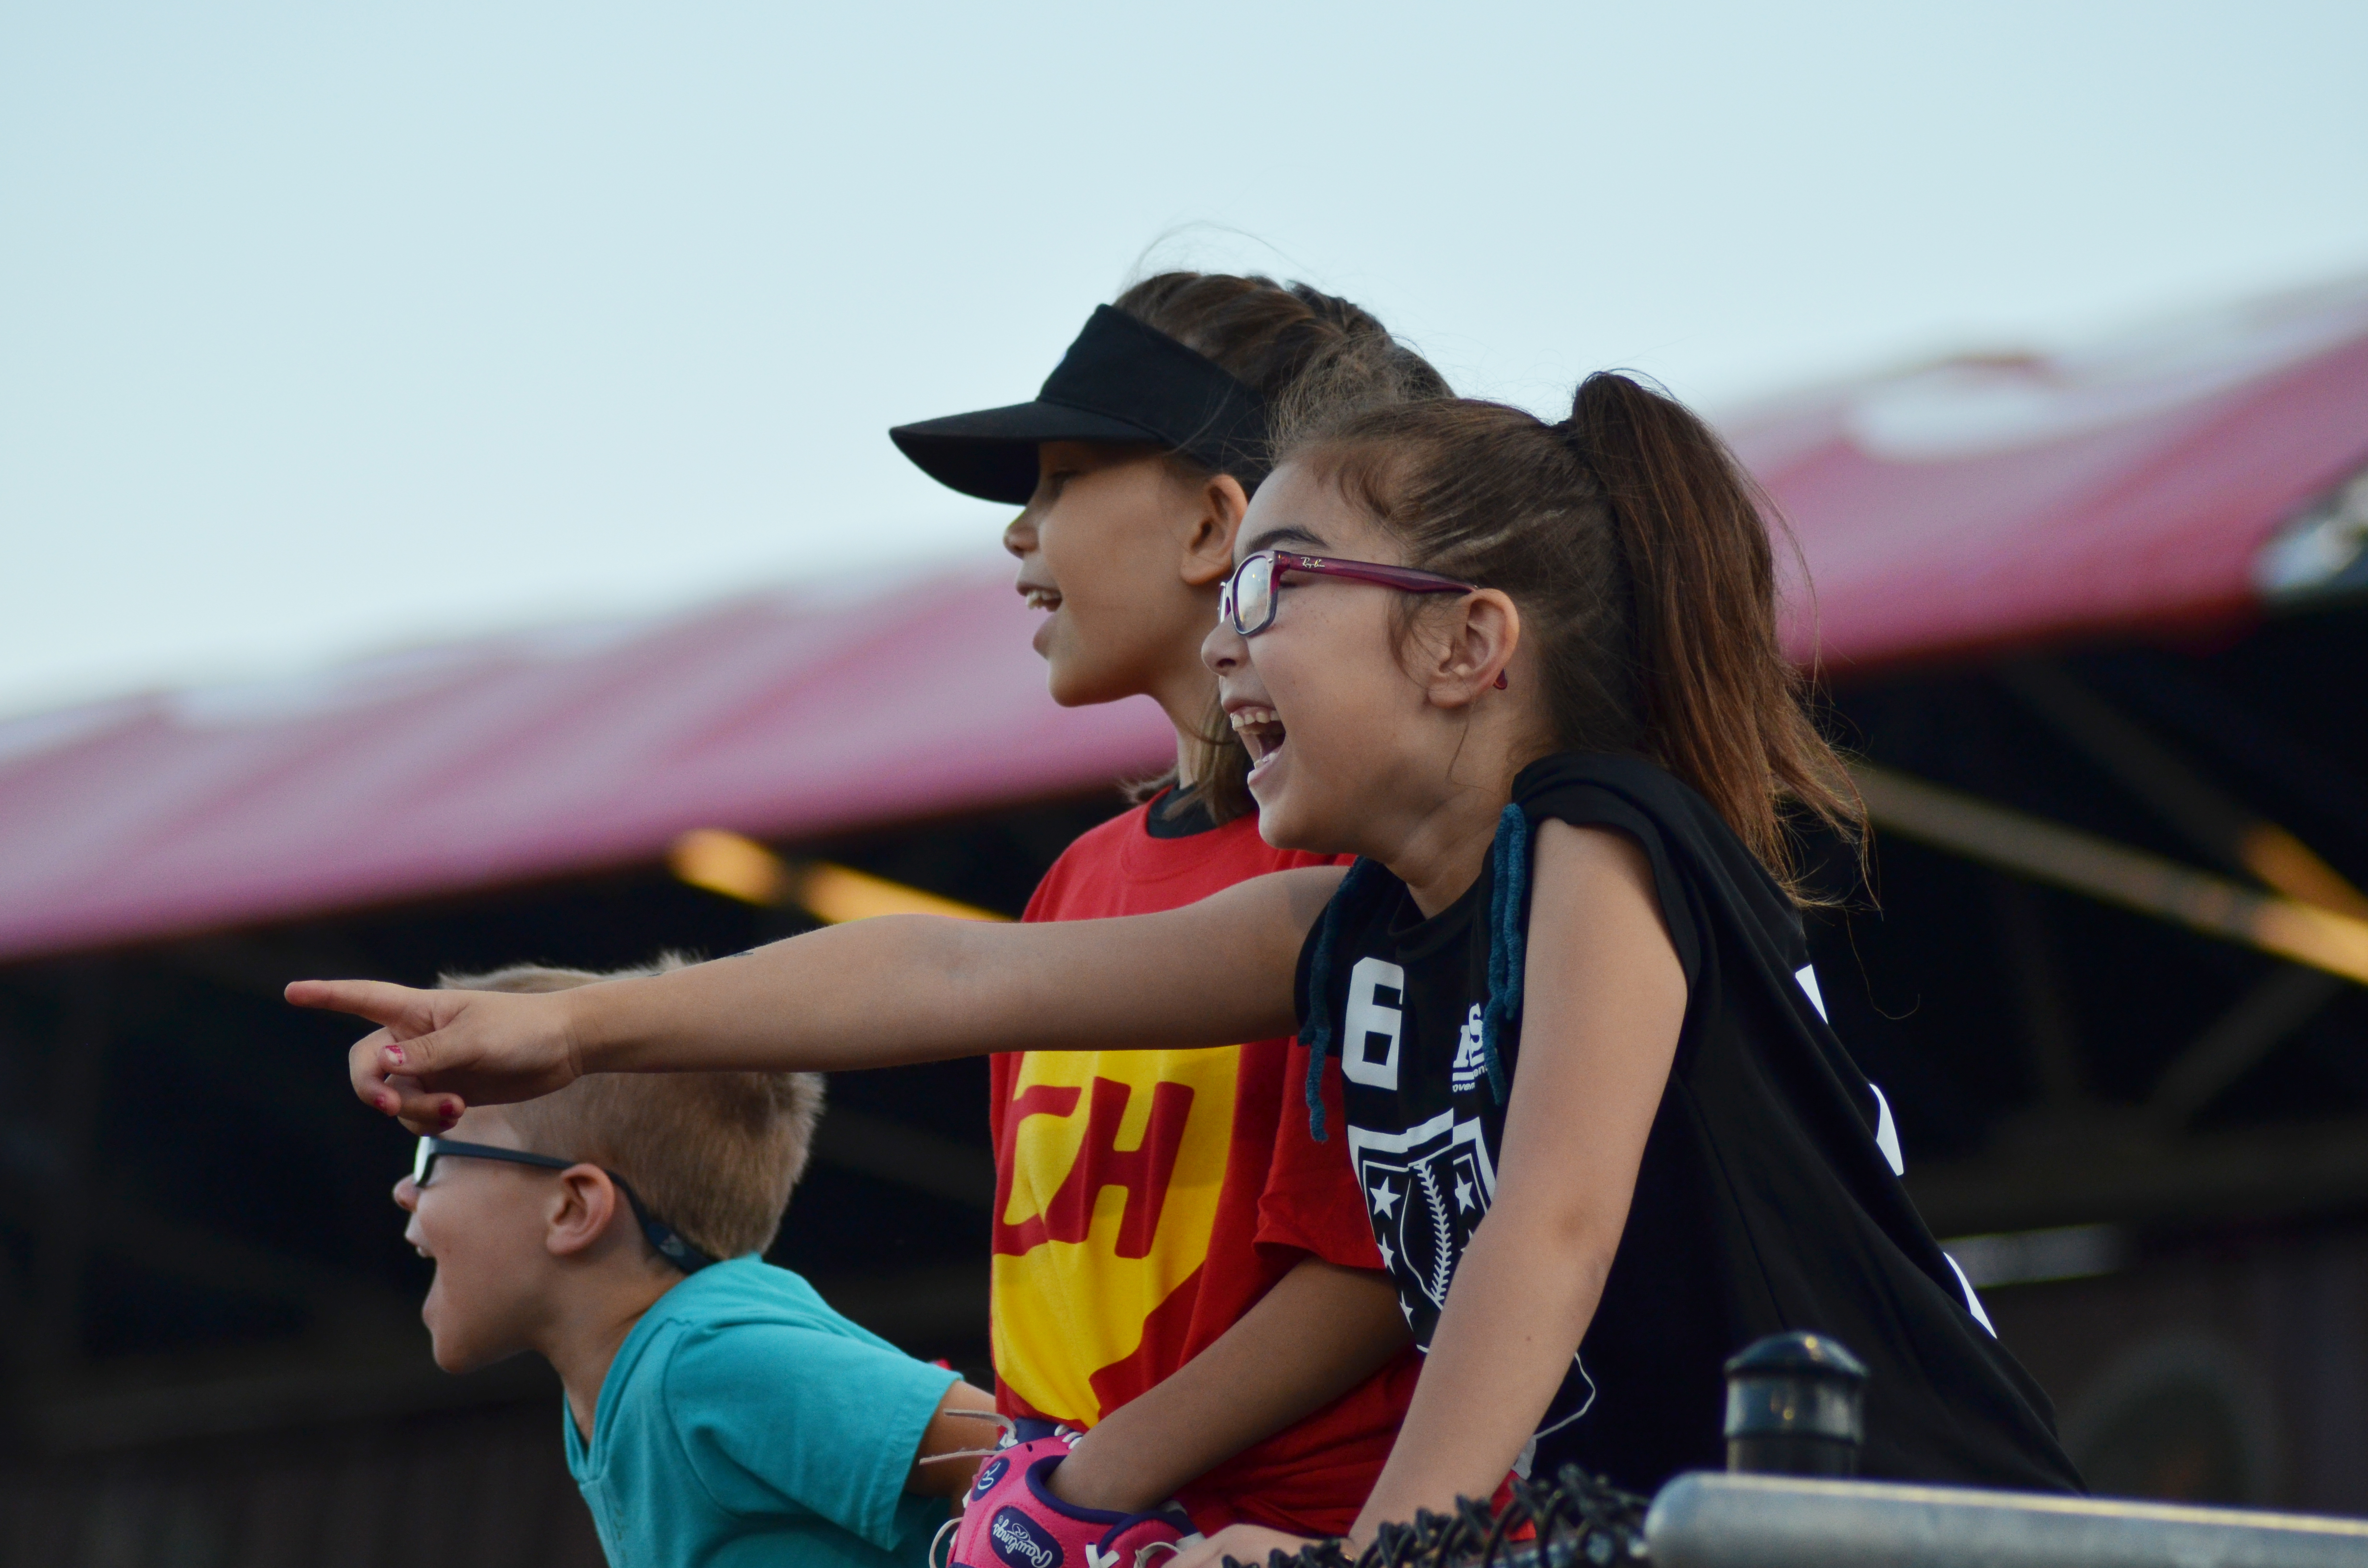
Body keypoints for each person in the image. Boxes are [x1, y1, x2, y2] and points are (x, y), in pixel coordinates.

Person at [305, 371, 2084, 1564]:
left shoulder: (1600, 836)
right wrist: (570, 1025)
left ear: (1467, 643)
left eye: (1275, 586)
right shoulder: (1361, 929)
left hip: (1894, 1516)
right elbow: (958, 987)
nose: (1228, 637)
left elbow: (1543, 1228)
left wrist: (1383, 1552)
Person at [880, 273, 1449, 1538]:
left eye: (1058, 480)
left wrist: (1081, 1487)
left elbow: (1379, 1259)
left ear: (1213, 527)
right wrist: (1033, 1466)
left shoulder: (1373, 860)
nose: (1019, 533)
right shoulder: (1074, 883)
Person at [392, 958, 1015, 1568]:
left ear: (573, 1208)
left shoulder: (703, 1360)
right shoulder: (625, 1392)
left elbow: (1015, 1455)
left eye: (434, 1155)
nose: (405, 1190)